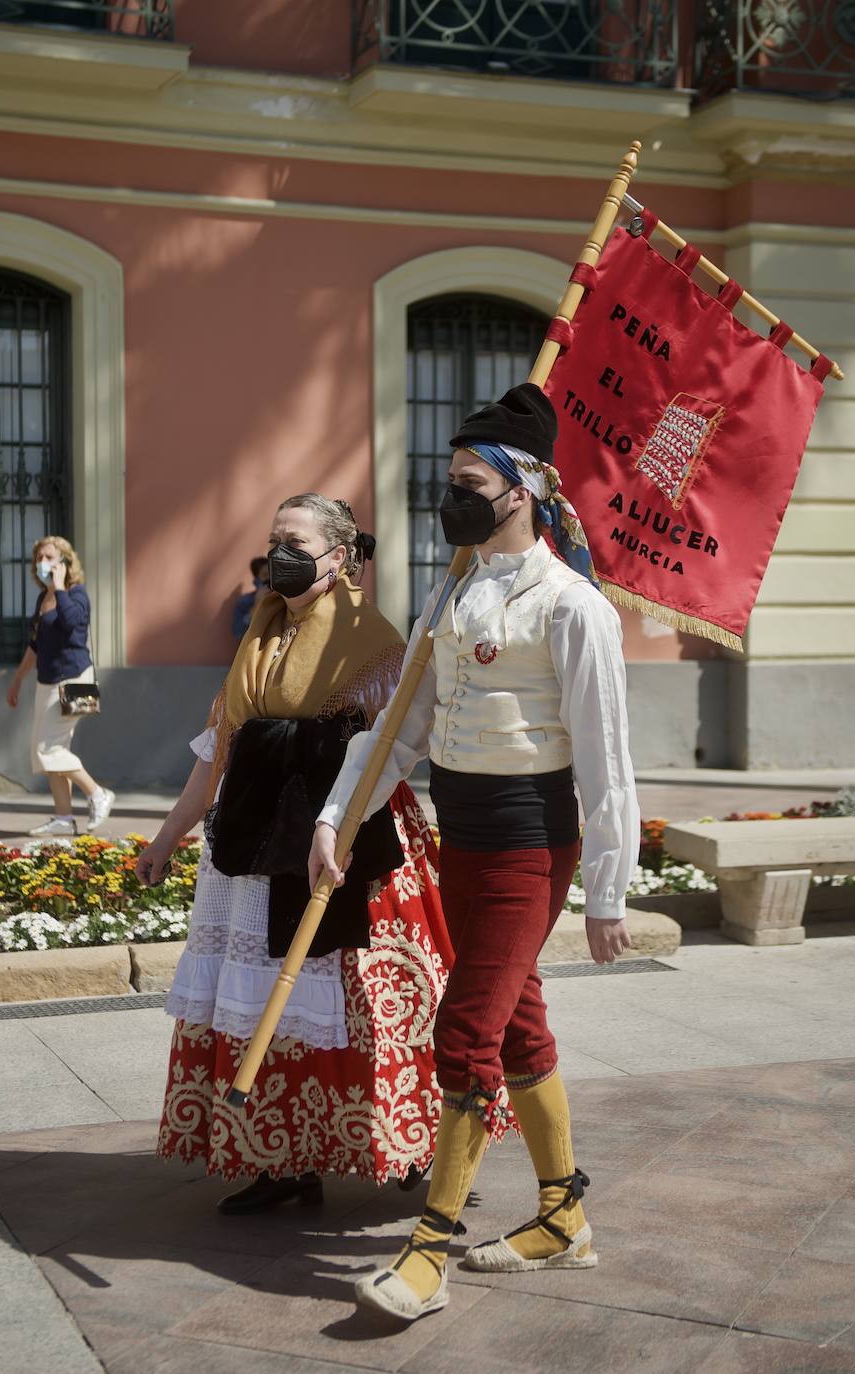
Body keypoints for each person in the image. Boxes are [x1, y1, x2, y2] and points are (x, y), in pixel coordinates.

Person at [310, 384, 640, 1321]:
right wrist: (339, 815)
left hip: (532, 844)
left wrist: (608, 892)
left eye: (466, 482)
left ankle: (429, 1251)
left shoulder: (574, 607)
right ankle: (562, 1218)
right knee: (520, 1022)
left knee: (467, 1033)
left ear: (522, 489)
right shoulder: (450, 592)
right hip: (462, 836)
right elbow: (397, 731)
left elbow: (608, 758)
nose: (448, 495)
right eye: (445, 478)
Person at [137, 494, 454, 1206]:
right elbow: (217, 754)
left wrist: (337, 822)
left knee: (371, 1003)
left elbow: (396, 750)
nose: (279, 551)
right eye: (274, 538)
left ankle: (406, 1141)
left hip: (351, 841)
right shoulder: (260, 632)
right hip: (254, 842)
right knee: (256, 1010)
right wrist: (167, 837)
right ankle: (281, 1162)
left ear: (337, 557)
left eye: (294, 539)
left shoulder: (371, 642)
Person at [6, 535, 114, 838]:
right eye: (39, 558)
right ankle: (64, 817)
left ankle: (97, 794)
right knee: (50, 752)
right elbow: (35, 645)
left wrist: (61, 587)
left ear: (65, 562)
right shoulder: (44, 599)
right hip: (47, 682)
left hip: (73, 680)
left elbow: (73, 625)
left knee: (48, 748)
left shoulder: (76, 594)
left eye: (50, 557)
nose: (43, 564)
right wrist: (17, 679)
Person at [231, 555, 269, 639]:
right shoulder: (245, 602)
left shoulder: (284, 596)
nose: (270, 578)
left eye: (272, 573)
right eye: (265, 575)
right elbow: (238, 632)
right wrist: (257, 605)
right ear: (257, 581)